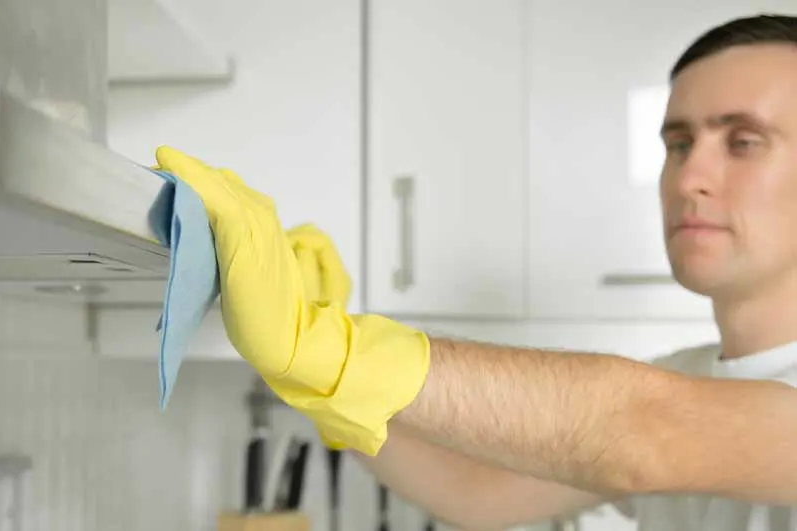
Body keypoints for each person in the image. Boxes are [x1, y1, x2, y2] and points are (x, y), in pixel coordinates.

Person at [155, 13, 797, 531]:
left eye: (743, 142)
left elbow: (638, 430)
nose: (689, 178)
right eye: (679, 144)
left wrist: (338, 354)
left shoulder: (659, 407)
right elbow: (476, 493)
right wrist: (324, 386)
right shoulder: (686, 375)